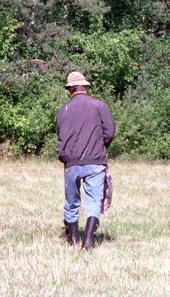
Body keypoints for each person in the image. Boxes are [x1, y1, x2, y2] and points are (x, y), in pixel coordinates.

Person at [56, 71, 116, 249]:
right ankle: (88, 240)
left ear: (70, 90)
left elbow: (60, 136)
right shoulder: (99, 105)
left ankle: (73, 239)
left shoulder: (63, 110)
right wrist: (99, 147)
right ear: (85, 88)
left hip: (71, 162)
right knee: (93, 200)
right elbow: (110, 132)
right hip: (95, 161)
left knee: (72, 202)